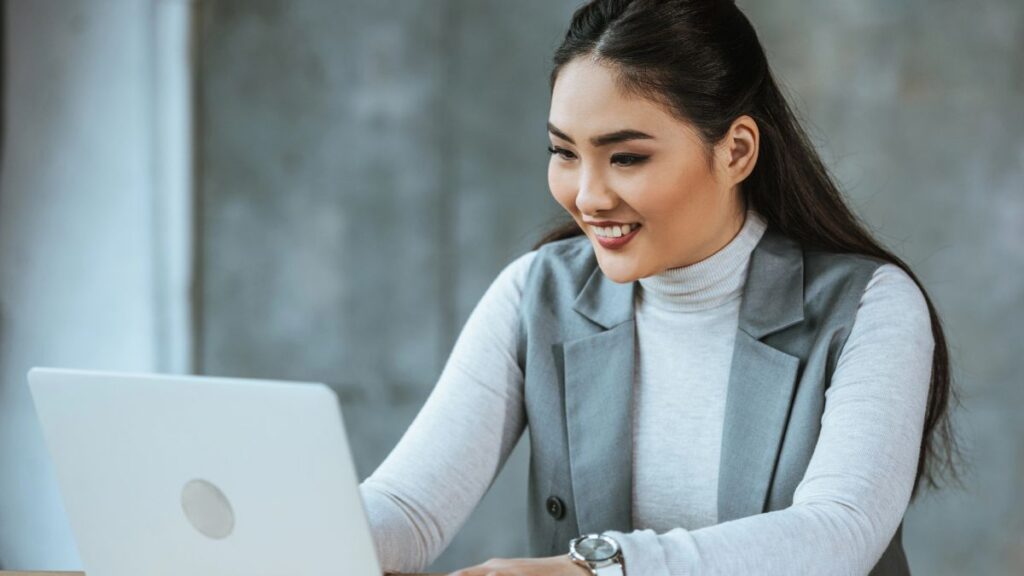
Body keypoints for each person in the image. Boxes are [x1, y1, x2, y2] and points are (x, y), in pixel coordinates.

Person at [358, 1, 963, 574]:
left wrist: (597, 568)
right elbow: (409, 507)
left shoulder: (868, 308)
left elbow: (837, 537)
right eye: (563, 152)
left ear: (736, 152)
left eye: (625, 158)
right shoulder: (535, 294)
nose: (588, 197)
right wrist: (300, 530)